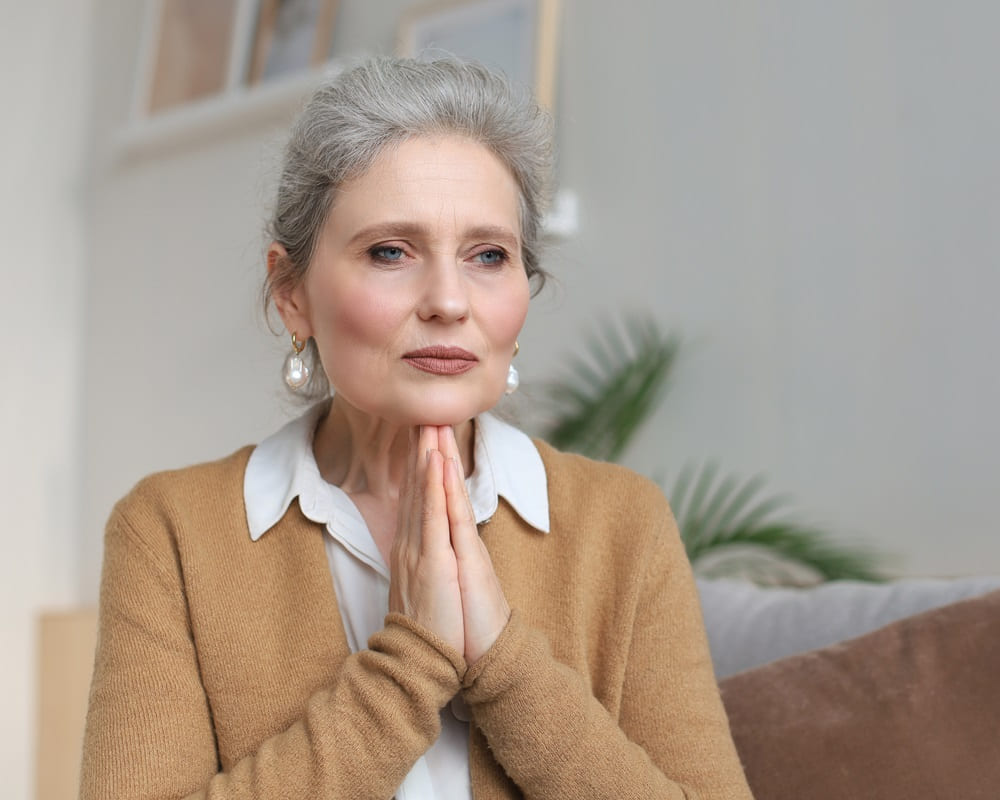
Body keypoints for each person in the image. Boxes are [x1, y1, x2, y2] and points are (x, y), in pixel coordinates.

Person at [80, 57, 753, 799]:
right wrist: (411, 665)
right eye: (390, 251)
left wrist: (502, 661)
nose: (447, 301)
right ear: (292, 293)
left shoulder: (623, 524)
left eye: (488, 256)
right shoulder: (171, 533)